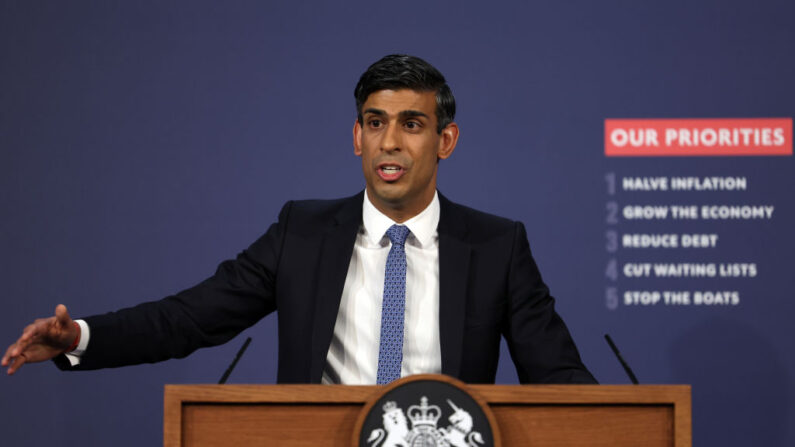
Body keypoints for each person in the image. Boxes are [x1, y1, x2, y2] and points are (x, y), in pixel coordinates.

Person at [3, 54, 596, 385]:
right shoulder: (303, 234)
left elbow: (560, 380)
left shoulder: (496, 245)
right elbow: (188, 319)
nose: (389, 142)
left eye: (410, 125)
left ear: (446, 140)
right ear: (356, 137)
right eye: (374, 122)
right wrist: (78, 337)